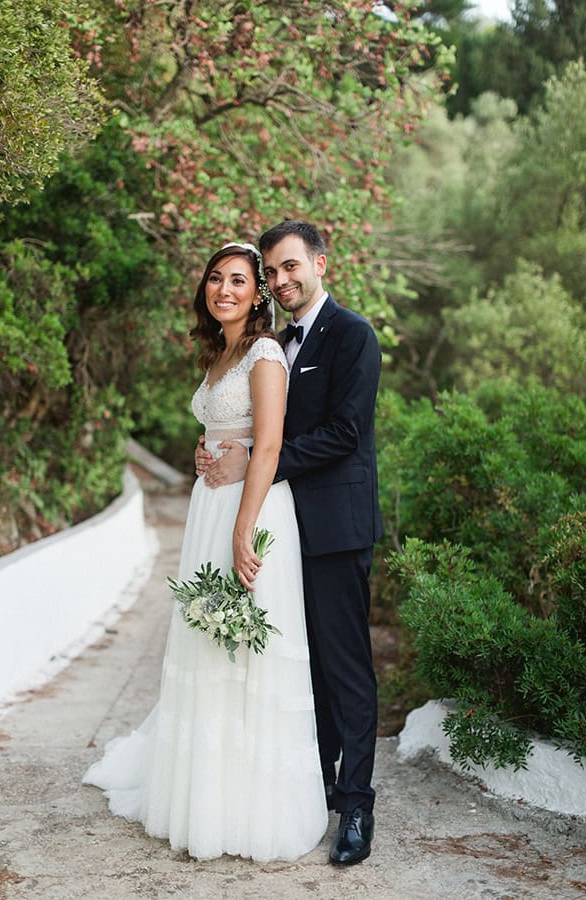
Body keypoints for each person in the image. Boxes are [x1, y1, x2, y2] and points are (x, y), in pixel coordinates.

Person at [83, 242, 328, 863]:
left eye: (240, 281)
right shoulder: (221, 352)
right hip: (209, 507)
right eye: (216, 279)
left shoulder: (266, 353)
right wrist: (203, 451)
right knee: (211, 648)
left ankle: (252, 811)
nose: (225, 289)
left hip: (251, 510)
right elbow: (227, 429)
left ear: (259, 293)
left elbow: (268, 447)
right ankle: (208, 798)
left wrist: (243, 530)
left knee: (249, 651)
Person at [196, 221, 383, 866]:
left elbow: (344, 434)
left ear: (320, 264)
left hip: (334, 528)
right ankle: (319, 786)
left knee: (345, 668)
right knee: (299, 667)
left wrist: (252, 459)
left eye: (289, 267)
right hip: (283, 524)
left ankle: (356, 806)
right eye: (271, 272)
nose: (281, 281)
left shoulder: (354, 336)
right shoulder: (271, 343)